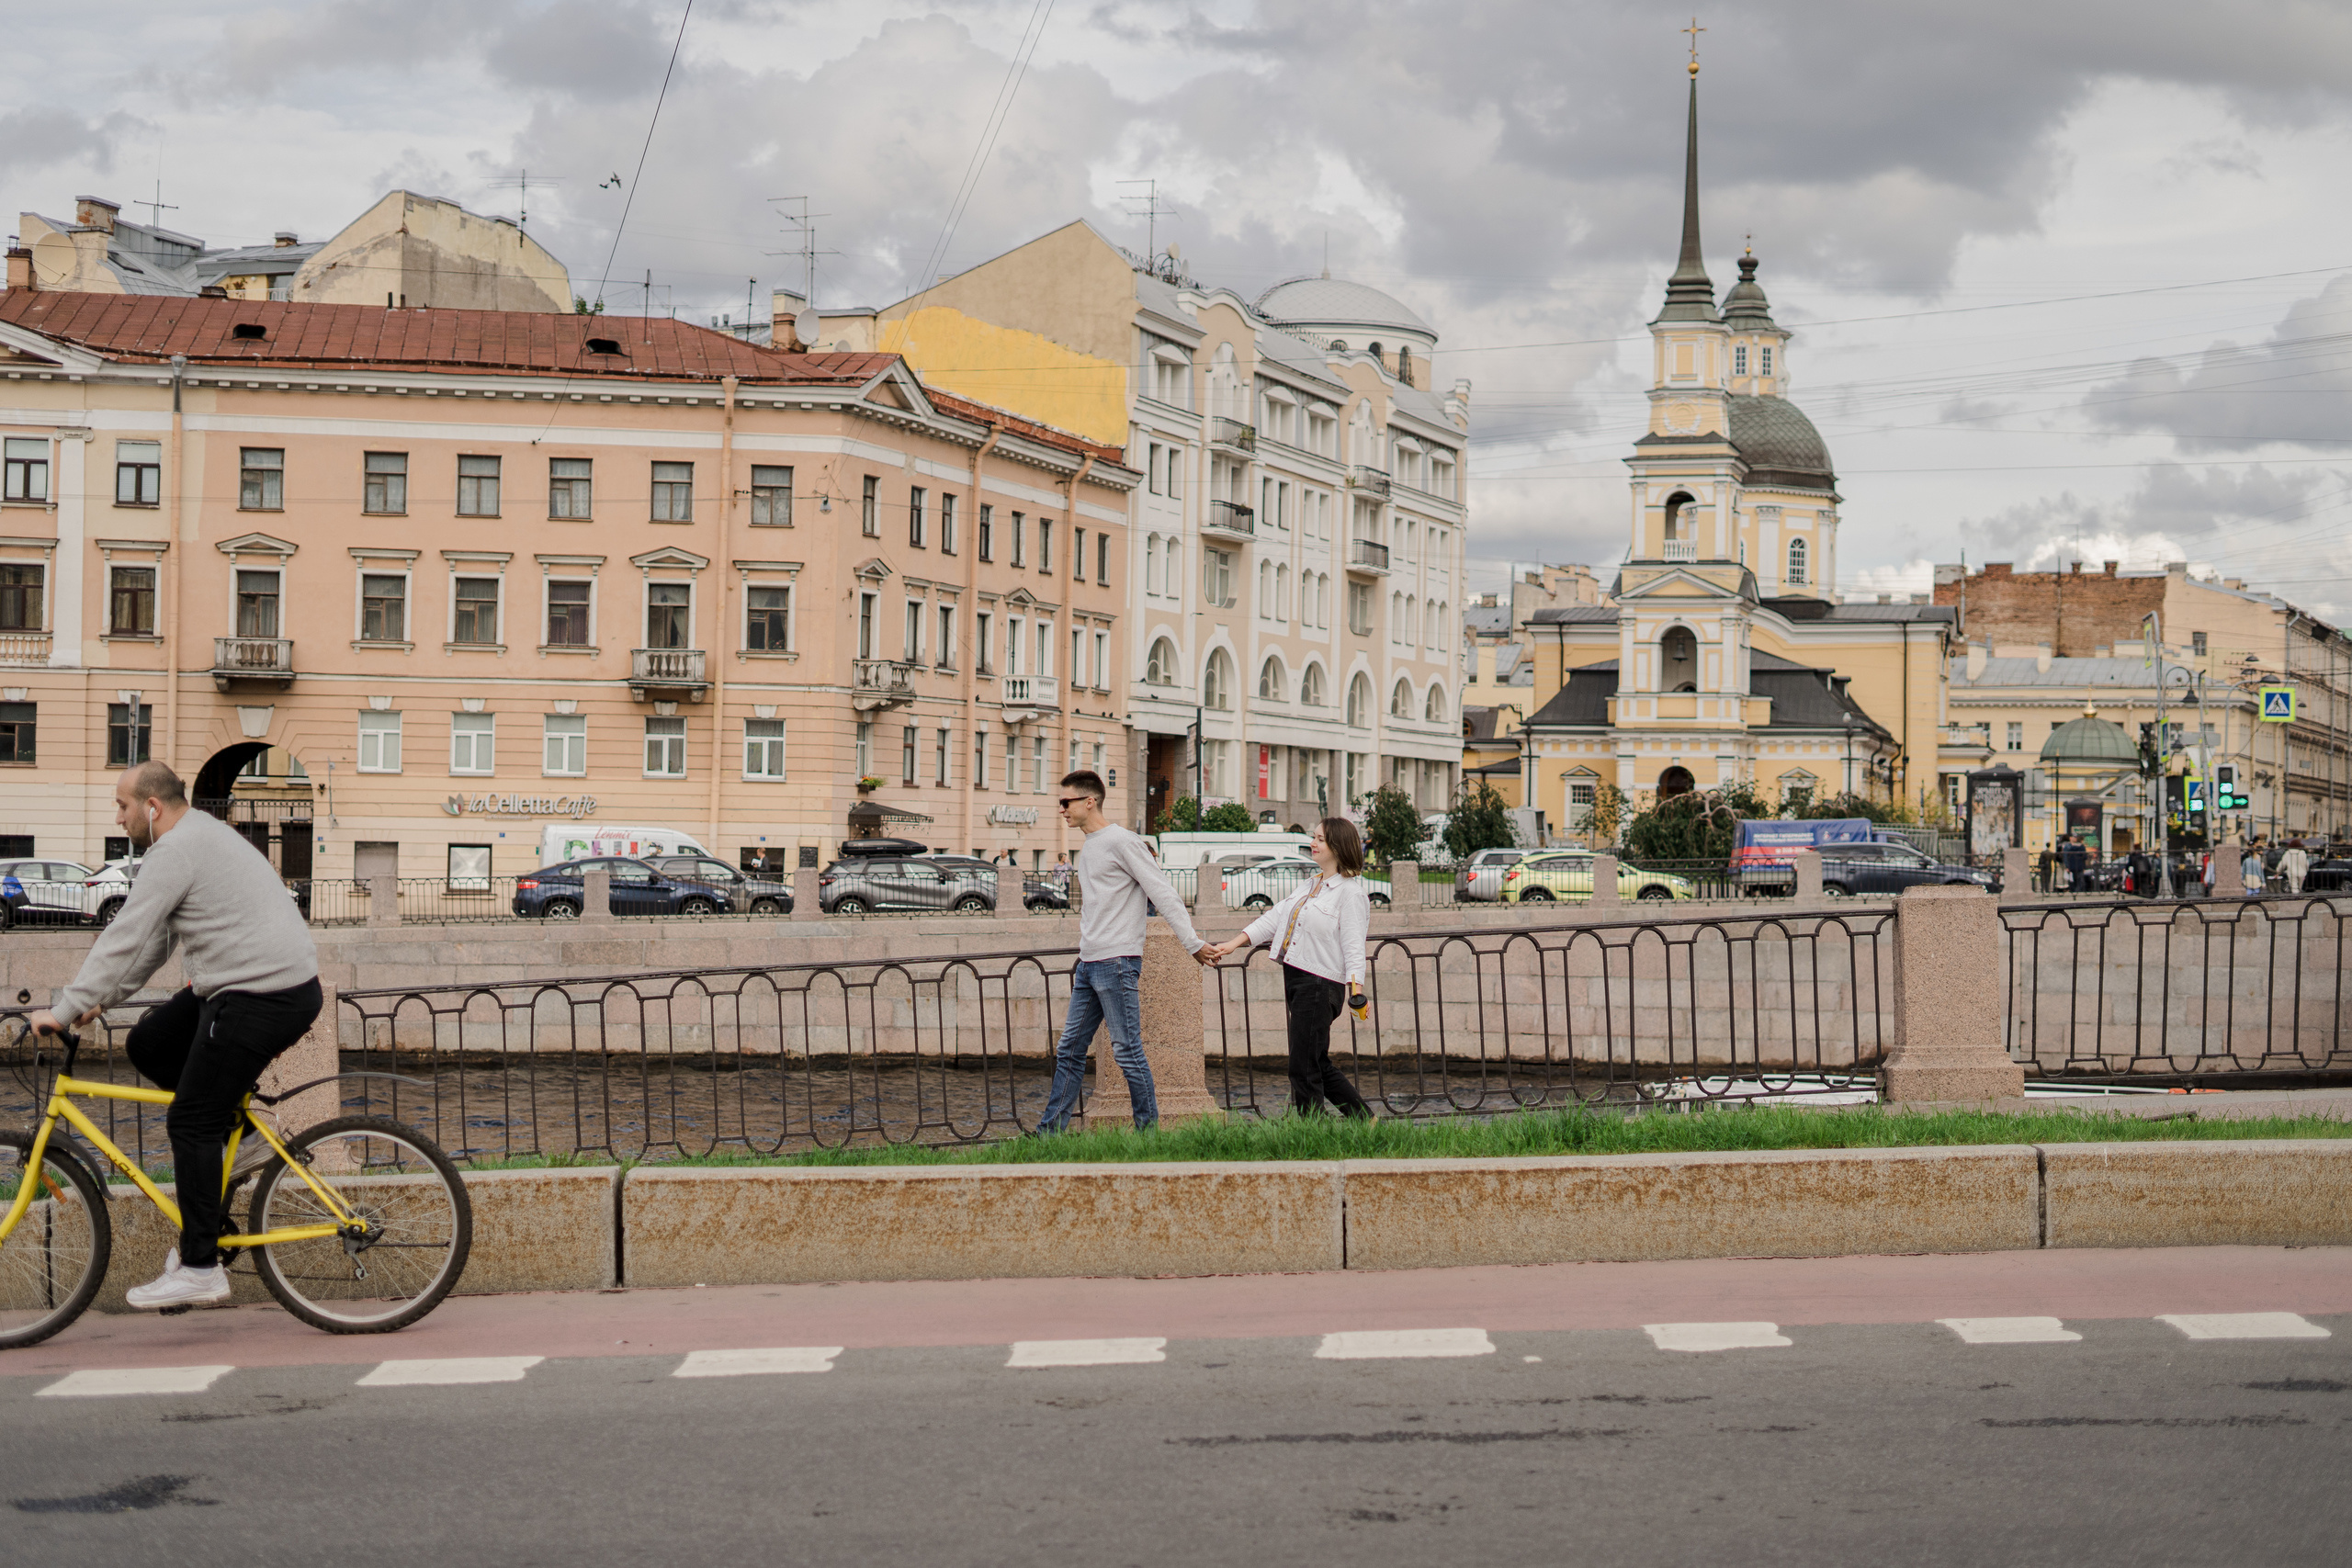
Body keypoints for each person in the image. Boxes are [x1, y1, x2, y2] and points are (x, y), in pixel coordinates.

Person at [27, 761, 322, 1310]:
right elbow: (157, 941)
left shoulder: (177, 848)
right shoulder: (198, 835)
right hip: (247, 983)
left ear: (152, 807)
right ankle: (240, 1135)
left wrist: (64, 1009)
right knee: (150, 1044)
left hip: (261, 994)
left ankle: (201, 1267)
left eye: (122, 806)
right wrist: (98, 1002)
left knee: (191, 1120)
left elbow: (126, 933)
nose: (119, 817)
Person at [1034, 770, 1210, 1134]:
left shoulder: (1122, 841)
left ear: (1089, 801)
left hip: (1116, 963)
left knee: (1127, 1051)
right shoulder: (1090, 845)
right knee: (1069, 1050)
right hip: (1089, 962)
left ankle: (1148, 1133)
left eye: (1066, 803)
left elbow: (1163, 893)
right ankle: (1049, 1134)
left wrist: (1192, 943)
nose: (1061, 810)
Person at [1199, 818, 1374, 1118]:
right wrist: (1232, 944)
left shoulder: (1350, 893)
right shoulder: (1311, 884)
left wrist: (1356, 993)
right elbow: (1274, 918)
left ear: (1337, 846)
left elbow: (1355, 946)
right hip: (1298, 980)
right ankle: (1364, 1119)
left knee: (1302, 1065)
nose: (1313, 843)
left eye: (1320, 839)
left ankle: (1310, 1134)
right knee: (1314, 1061)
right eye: (1314, 837)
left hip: (1321, 984)